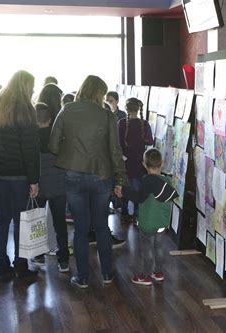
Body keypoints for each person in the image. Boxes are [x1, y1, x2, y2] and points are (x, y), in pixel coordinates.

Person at [49, 75, 127, 289]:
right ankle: (107, 273)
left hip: (73, 174)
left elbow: (53, 145)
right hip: (102, 176)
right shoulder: (107, 115)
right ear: (100, 93)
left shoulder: (66, 110)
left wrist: (71, 151)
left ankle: (82, 276)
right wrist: (120, 178)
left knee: (81, 228)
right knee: (101, 226)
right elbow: (115, 150)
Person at [0, 70, 40, 282]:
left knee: (2, 218)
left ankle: (1, 266)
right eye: (32, 87)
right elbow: (30, 149)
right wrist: (34, 180)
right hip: (18, 174)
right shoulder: (25, 109)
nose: (33, 91)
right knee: (21, 221)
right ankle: (21, 266)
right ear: (25, 86)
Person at [120, 148, 178, 285]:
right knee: (159, 248)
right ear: (162, 163)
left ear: (144, 164)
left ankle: (145, 276)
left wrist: (124, 191)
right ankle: (158, 272)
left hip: (147, 223)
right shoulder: (167, 182)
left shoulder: (146, 182)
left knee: (147, 250)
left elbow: (139, 198)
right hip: (161, 223)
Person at [30, 102, 70, 272]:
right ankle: (63, 261)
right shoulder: (58, 137)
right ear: (50, 119)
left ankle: (38, 255)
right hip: (59, 186)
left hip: (38, 186)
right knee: (60, 223)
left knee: (37, 220)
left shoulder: (31, 139)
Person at [118, 97, 154, 222]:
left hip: (125, 162)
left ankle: (124, 214)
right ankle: (137, 215)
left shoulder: (121, 123)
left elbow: (118, 143)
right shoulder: (144, 124)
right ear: (139, 109)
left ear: (126, 109)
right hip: (140, 163)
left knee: (125, 188)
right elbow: (150, 141)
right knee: (139, 190)